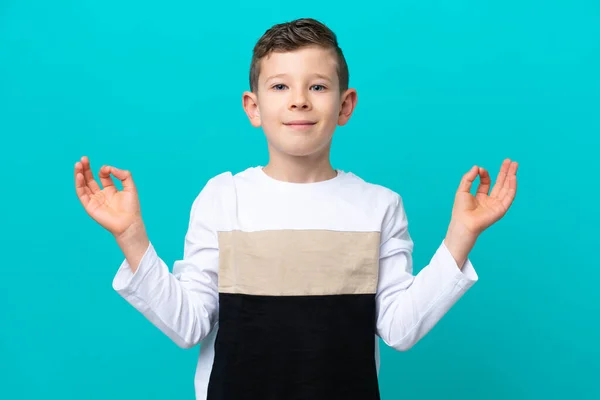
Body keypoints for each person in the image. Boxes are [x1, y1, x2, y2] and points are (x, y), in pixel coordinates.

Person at [74, 17, 518, 400]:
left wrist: (462, 235)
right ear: (254, 106)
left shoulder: (379, 206)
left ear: (345, 105)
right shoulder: (222, 198)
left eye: (318, 86)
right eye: (280, 85)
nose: (299, 99)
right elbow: (188, 324)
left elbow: (400, 329)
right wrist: (131, 235)